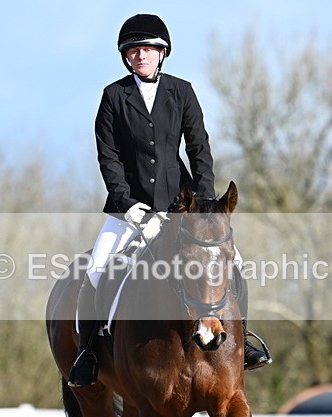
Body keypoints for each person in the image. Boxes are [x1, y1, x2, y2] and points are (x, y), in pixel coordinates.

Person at [68, 13, 271, 387]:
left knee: (236, 265)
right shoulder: (113, 96)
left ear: (162, 53)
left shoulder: (182, 91)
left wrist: (205, 203)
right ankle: (88, 353)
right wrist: (125, 202)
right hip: (130, 208)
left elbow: (198, 147)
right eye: (133, 51)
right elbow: (108, 155)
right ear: (126, 57)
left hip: (183, 205)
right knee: (96, 270)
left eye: (148, 49)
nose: (140, 55)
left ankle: (244, 343)